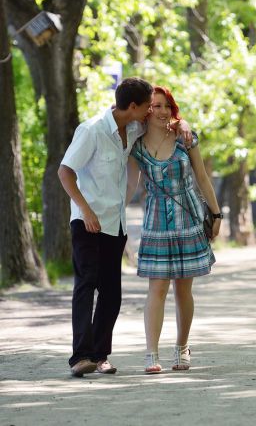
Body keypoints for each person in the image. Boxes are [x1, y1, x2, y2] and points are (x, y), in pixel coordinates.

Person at [58, 77, 191, 378]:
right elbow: (65, 172)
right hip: (88, 221)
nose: (149, 112)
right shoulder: (91, 130)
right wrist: (86, 209)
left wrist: (183, 125)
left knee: (111, 293)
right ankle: (80, 356)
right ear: (133, 106)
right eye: (146, 106)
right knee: (85, 284)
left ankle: (100, 355)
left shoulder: (132, 128)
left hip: (114, 224)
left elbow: (165, 119)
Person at [127, 86, 221, 374]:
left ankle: (182, 348)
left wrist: (216, 213)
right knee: (157, 287)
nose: (161, 111)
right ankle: (151, 354)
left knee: (183, 288)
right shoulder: (136, 143)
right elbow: (130, 185)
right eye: (155, 106)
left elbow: (202, 177)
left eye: (166, 106)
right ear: (146, 110)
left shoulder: (185, 138)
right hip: (156, 219)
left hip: (187, 215)